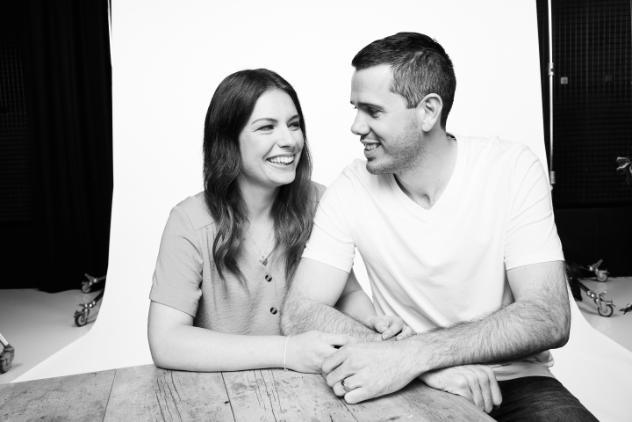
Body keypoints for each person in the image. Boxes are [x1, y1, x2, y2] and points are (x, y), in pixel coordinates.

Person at [281, 33, 597, 421]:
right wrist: (422, 369)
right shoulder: (350, 189)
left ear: (428, 111)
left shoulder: (511, 169)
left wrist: (417, 355)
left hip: (513, 382)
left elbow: (548, 315)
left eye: (372, 111)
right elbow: (299, 313)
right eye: (355, 108)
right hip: (403, 382)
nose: (355, 126)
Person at [147, 68, 407, 374]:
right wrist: (285, 352)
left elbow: (346, 293)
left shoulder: (320, 202)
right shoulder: (189, 222)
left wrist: (372, 321)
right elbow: (166, 341)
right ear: (228, 141)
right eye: (266, 127)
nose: (289, 140)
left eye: (294, 125)